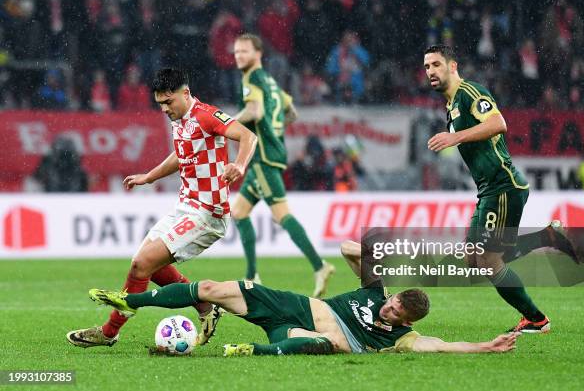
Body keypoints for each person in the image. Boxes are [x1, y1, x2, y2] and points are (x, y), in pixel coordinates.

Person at [66, 68, 257, 348]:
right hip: (185, 206)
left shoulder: (206, 115)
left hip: (208, 213)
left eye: (169, 102)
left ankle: (109, 332)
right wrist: (149, 176)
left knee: (141, 265)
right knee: (147, 267)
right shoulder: (180, 120)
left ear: (186, 93)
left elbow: (248, 136)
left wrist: (239, 164)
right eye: (160, 104)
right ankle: (205, 306)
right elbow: (182, 155)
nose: (165, 109)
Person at [89, 240, 520, 355]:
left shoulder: (403, 338)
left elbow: (444, 346)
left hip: (306, 334)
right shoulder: (376, 291)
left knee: (330, 343)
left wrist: (486, 345)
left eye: (394, 313)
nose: (386, 309)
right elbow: (352, 248)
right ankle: (132, 302)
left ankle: (250, 350)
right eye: (390, 302)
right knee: (210, 289)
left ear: (406, 321)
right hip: (300, 307)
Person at [423, 45, 579, 333]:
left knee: (489, 260)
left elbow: (499, 123)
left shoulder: (471, 93)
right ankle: (548, 236)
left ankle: (536, 318)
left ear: (452, 66)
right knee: (474, 259)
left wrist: (455, 137)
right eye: (427, 67)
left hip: (503, 185)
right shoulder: (451, 105)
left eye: (436, 64)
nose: (431, 71)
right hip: (488, 190)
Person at [231, 33, 335, 297]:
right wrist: (275, 130)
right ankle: (252, 274)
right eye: (236, 52)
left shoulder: (252, 78)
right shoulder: (271, 82)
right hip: (271, 154)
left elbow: (255, 112)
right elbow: (292, 112)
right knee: (240, 212)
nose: (239, 56)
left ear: (258, 53)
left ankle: (319, 265)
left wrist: (227, 126)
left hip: (263, 158)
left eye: (244, 51)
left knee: (281, 215)